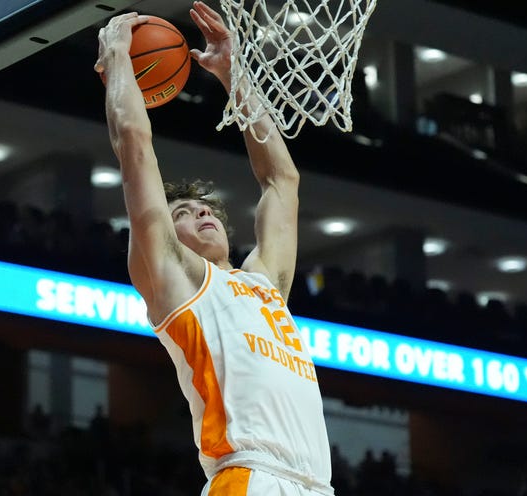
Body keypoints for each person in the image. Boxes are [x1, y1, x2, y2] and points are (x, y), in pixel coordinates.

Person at [94, 2, 334, 495]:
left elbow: (281, 182)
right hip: (248, 476)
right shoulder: (176, 281)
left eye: (206, 210)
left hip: (315, 486)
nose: (201, 214)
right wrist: (119, 56)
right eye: (182, 213)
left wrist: (235, 74)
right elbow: (135, 144)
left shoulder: (264, 284)